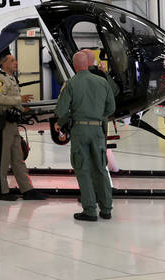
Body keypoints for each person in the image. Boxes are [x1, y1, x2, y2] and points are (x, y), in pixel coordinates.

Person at [55, 49, 116, 221]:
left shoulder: (71, 83)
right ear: (88, 64)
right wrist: (97, 115)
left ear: (75, 65)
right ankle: (106, 209)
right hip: (98, 130)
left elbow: (61, 110)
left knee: (83, 169)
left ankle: (89, 210)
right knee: (100, 168)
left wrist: (67, 118)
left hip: (80, 131)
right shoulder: (102, 82)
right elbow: (111, 107)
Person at [0, 53, 47, 201]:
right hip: (3, 123)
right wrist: (19, 99)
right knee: (2, 158)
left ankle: (27, 190)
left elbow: (12, 101)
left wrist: (22, 108)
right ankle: (1, 191)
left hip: (12, 122)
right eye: (12, 60)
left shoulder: (11, 79)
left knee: (18, 158)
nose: (16, 62)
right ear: (3, 64)